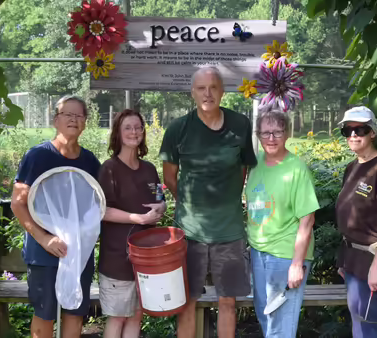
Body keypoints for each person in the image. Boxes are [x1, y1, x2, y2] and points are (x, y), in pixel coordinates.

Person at [159, 67, 258, 338]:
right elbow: (170, 177)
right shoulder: (178, 129)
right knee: (187, 302)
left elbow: (242, 170)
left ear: (222, 91)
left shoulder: (240, 125)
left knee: (227, 301)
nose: (208, 93)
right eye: (202, 88)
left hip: (230, 231)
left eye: (213, 87)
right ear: (193, 92)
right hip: (189, 233)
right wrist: (191, 204)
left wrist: (226, 200)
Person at [11, 95, 101, 338]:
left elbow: (96, 207)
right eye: (67, 115)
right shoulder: (38, 156)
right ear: (55, 120)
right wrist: (44, 239)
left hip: (79, 252)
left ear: (85, 122)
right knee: (45, 315)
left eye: (78, 115)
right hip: (44, 253)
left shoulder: (90, 161)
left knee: (75, 312)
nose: (73, 120)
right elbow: (18, 204)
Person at [246, 110, 320, 338]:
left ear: (287, 133)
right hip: (259, 252)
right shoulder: (256, 163)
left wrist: (297, 264)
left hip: (285, 256)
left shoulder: (296, 169)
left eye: (277, 132)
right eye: (266, 132)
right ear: (258, 135)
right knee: (266, 316)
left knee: (280, 326)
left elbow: (307, 219)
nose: (271, 138)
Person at [335, 106, 377, 338]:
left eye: (360, 129)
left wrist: (376, 267)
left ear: (373, 132)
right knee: (359, 321)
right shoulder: (352, 168)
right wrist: (343, 261)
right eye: (348, 130)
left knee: (369, 325)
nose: (353, 135)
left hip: (372, 262)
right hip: (353, 260)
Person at [97, 109, 166, 338]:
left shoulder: (149, 169)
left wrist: (160, 208)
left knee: (137, 315)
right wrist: (136, 218)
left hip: (145, 258)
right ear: (118, 132)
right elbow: (102, 210)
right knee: (118, 317)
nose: (133, 132)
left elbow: (160, 200)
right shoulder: (109, 168)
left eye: (137, 127)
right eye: (127, 127)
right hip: (118, 258)